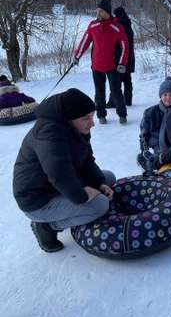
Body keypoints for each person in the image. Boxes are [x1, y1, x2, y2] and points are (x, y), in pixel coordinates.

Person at [13, 88, 115, 253]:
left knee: (108, 178)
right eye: (85, 118)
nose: (92, 123)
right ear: (69, 118)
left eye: (92, 116)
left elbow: (86, 160)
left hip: (56, 186)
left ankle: (68, 207)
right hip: (37, 200)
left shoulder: (75, 127)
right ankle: (47, 227)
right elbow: (58, 173)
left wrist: (98, 183)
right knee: (99, 205)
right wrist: (83, 194)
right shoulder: (48, 133)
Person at [73, 0, 129, 125]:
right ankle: (101, 115)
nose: (98, 14)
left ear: (107, 12)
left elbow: (125, 45)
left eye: (101, 11)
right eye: (97, 11)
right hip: (97, 65)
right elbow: (85, 41)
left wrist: (122, 63)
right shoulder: (93, 25)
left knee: (116, 91)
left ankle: (122, 115)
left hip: (112, 65)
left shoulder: (117, 27)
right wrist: (77, 56)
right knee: (99, 92)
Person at [107, 7, 135, 108]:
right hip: (130, 55)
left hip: (121, 57)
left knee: (116, 81)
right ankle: (128, 100)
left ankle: (113, 101)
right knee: (127, 79)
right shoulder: (128, 23)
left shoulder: (118, 25)